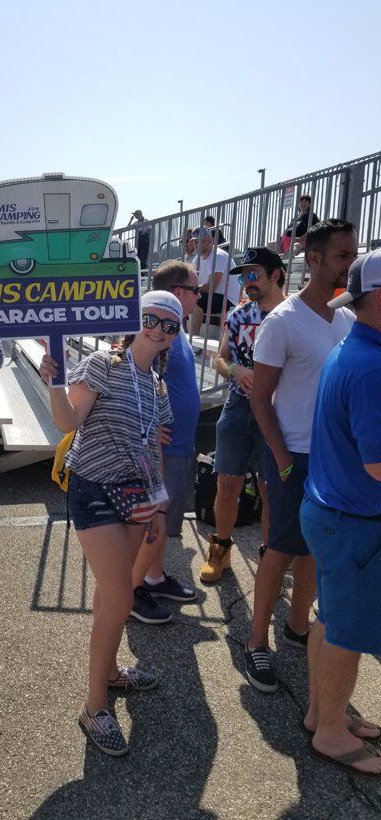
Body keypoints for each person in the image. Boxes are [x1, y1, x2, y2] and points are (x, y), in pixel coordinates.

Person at [39, 290, 181, 756]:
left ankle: (112, 672)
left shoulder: (157, 387)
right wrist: (54, 384)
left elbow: (153, 448)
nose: (157, 330)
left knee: (111, 595)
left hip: (136, 496)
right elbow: (67, 423)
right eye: (151, 319)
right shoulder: (102, 365)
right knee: (120, 596)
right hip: (94, 488)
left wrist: (158, 506)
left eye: (169, 325)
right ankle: (94, 705)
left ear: (174, 336)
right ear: (135, 319)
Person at [247, 219, 357, 693]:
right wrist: (283, 460)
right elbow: (260, 398)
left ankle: (296, 627)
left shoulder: (347, 318)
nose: (349, 264)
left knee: (314, 549)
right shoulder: (282, 321)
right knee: (281, 549)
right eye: (342, 256)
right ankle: (256, 643)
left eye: (353, 255)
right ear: (313, 259)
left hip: (334, 459)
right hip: (294, 454)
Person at [299, 249, 381, 777]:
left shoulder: (354, 347)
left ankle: (321, 713)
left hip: (332, 512)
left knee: (331, 620)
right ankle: (330, 731)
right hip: (354, 522)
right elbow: (377, 465)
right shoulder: (372, 366)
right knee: (344, 633)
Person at [200, 248, 285, 583]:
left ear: (275, 275)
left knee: (270, 489)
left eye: (253, 275)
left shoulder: (293, 316)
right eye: (244, 276)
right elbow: (219, 358)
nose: (247, 282)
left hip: (278, 412)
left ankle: (270, 559)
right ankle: (220, 551)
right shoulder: (239, 315)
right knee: (227, 483)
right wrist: (234, 369)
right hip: (237, 407)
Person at [130, 261, 200, 623]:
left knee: (163, 520)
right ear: (177, 292)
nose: (199, 297)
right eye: (195, 290)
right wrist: (146, 426)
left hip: (178, 445)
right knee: (152, 522)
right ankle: (132, 592)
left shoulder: (175, 330)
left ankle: (154, 577)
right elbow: (131, 378)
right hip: (164, 448)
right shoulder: (153, 332)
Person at [190, 227, 240, 335]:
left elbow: (211, 288)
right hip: (215, 297)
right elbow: (189, 279)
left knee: (196, 299)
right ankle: (183, 335)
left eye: (201, 240)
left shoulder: (218, 256)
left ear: (210, 240)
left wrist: (191, 289)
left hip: (228, 300)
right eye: (195, 241)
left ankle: (193, 338)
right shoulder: (197, 258)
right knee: (181, 297)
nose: (197, 244)